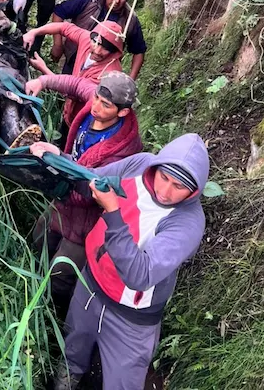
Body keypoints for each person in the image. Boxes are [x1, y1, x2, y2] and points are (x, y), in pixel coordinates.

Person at [53, 133, 210, 390]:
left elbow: (140, 275)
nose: (165, 191)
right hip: (90, 283)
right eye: (164, 177)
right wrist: (58, 158)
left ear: (194, 190)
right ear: (156, 167)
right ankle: (65, 381)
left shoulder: (187, 223)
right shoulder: (139, 165)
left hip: (131, 317)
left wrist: (113, 213)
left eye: (178, 187)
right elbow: (91, 180)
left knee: (123, 383)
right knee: (73, 347)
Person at [25, 72, 141, 312]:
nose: (95, 107)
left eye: (105, 105)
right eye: (96, 98)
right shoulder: (95, 104)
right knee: (39, 237)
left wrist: (59, 164)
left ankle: (53, 314)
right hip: (62, 200)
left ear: (123, 112)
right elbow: (76, 84)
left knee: (62, 271)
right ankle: (30, 282)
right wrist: (42, 82)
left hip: (85, 219)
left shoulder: (125, 151)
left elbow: (93, 191)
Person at [23, 20, 124, 127]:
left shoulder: (109, 74)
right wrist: (33, 32)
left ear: (114, 51)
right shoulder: (86, 39)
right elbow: (63, 27)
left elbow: (74, 90)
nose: (97, 50)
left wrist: (43, 69)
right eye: (96, 42)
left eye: (105, 48)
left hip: (85, 123)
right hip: (68, 113)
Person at [52, 0, 147, 80]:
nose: (117, 0)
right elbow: (59, 12)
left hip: (102, 71)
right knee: (65, 86)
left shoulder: (130, 20)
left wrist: (130, 80)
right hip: (74, 57)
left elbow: (139, 51)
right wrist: (58, 44)